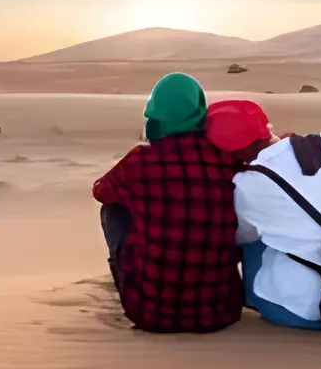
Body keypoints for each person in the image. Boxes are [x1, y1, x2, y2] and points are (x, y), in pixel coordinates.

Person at [205, 99, 321, 330]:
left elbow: (238, 237)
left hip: (312, 311)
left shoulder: (249, 183)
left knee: (253, 234)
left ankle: (255, 295)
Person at [92, 73, 243, 333]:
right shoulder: (228, 160)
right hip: (221, 312)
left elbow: (100, 191)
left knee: (113, 208)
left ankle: (128, 272)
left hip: (149, 312)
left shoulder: (140, 161)